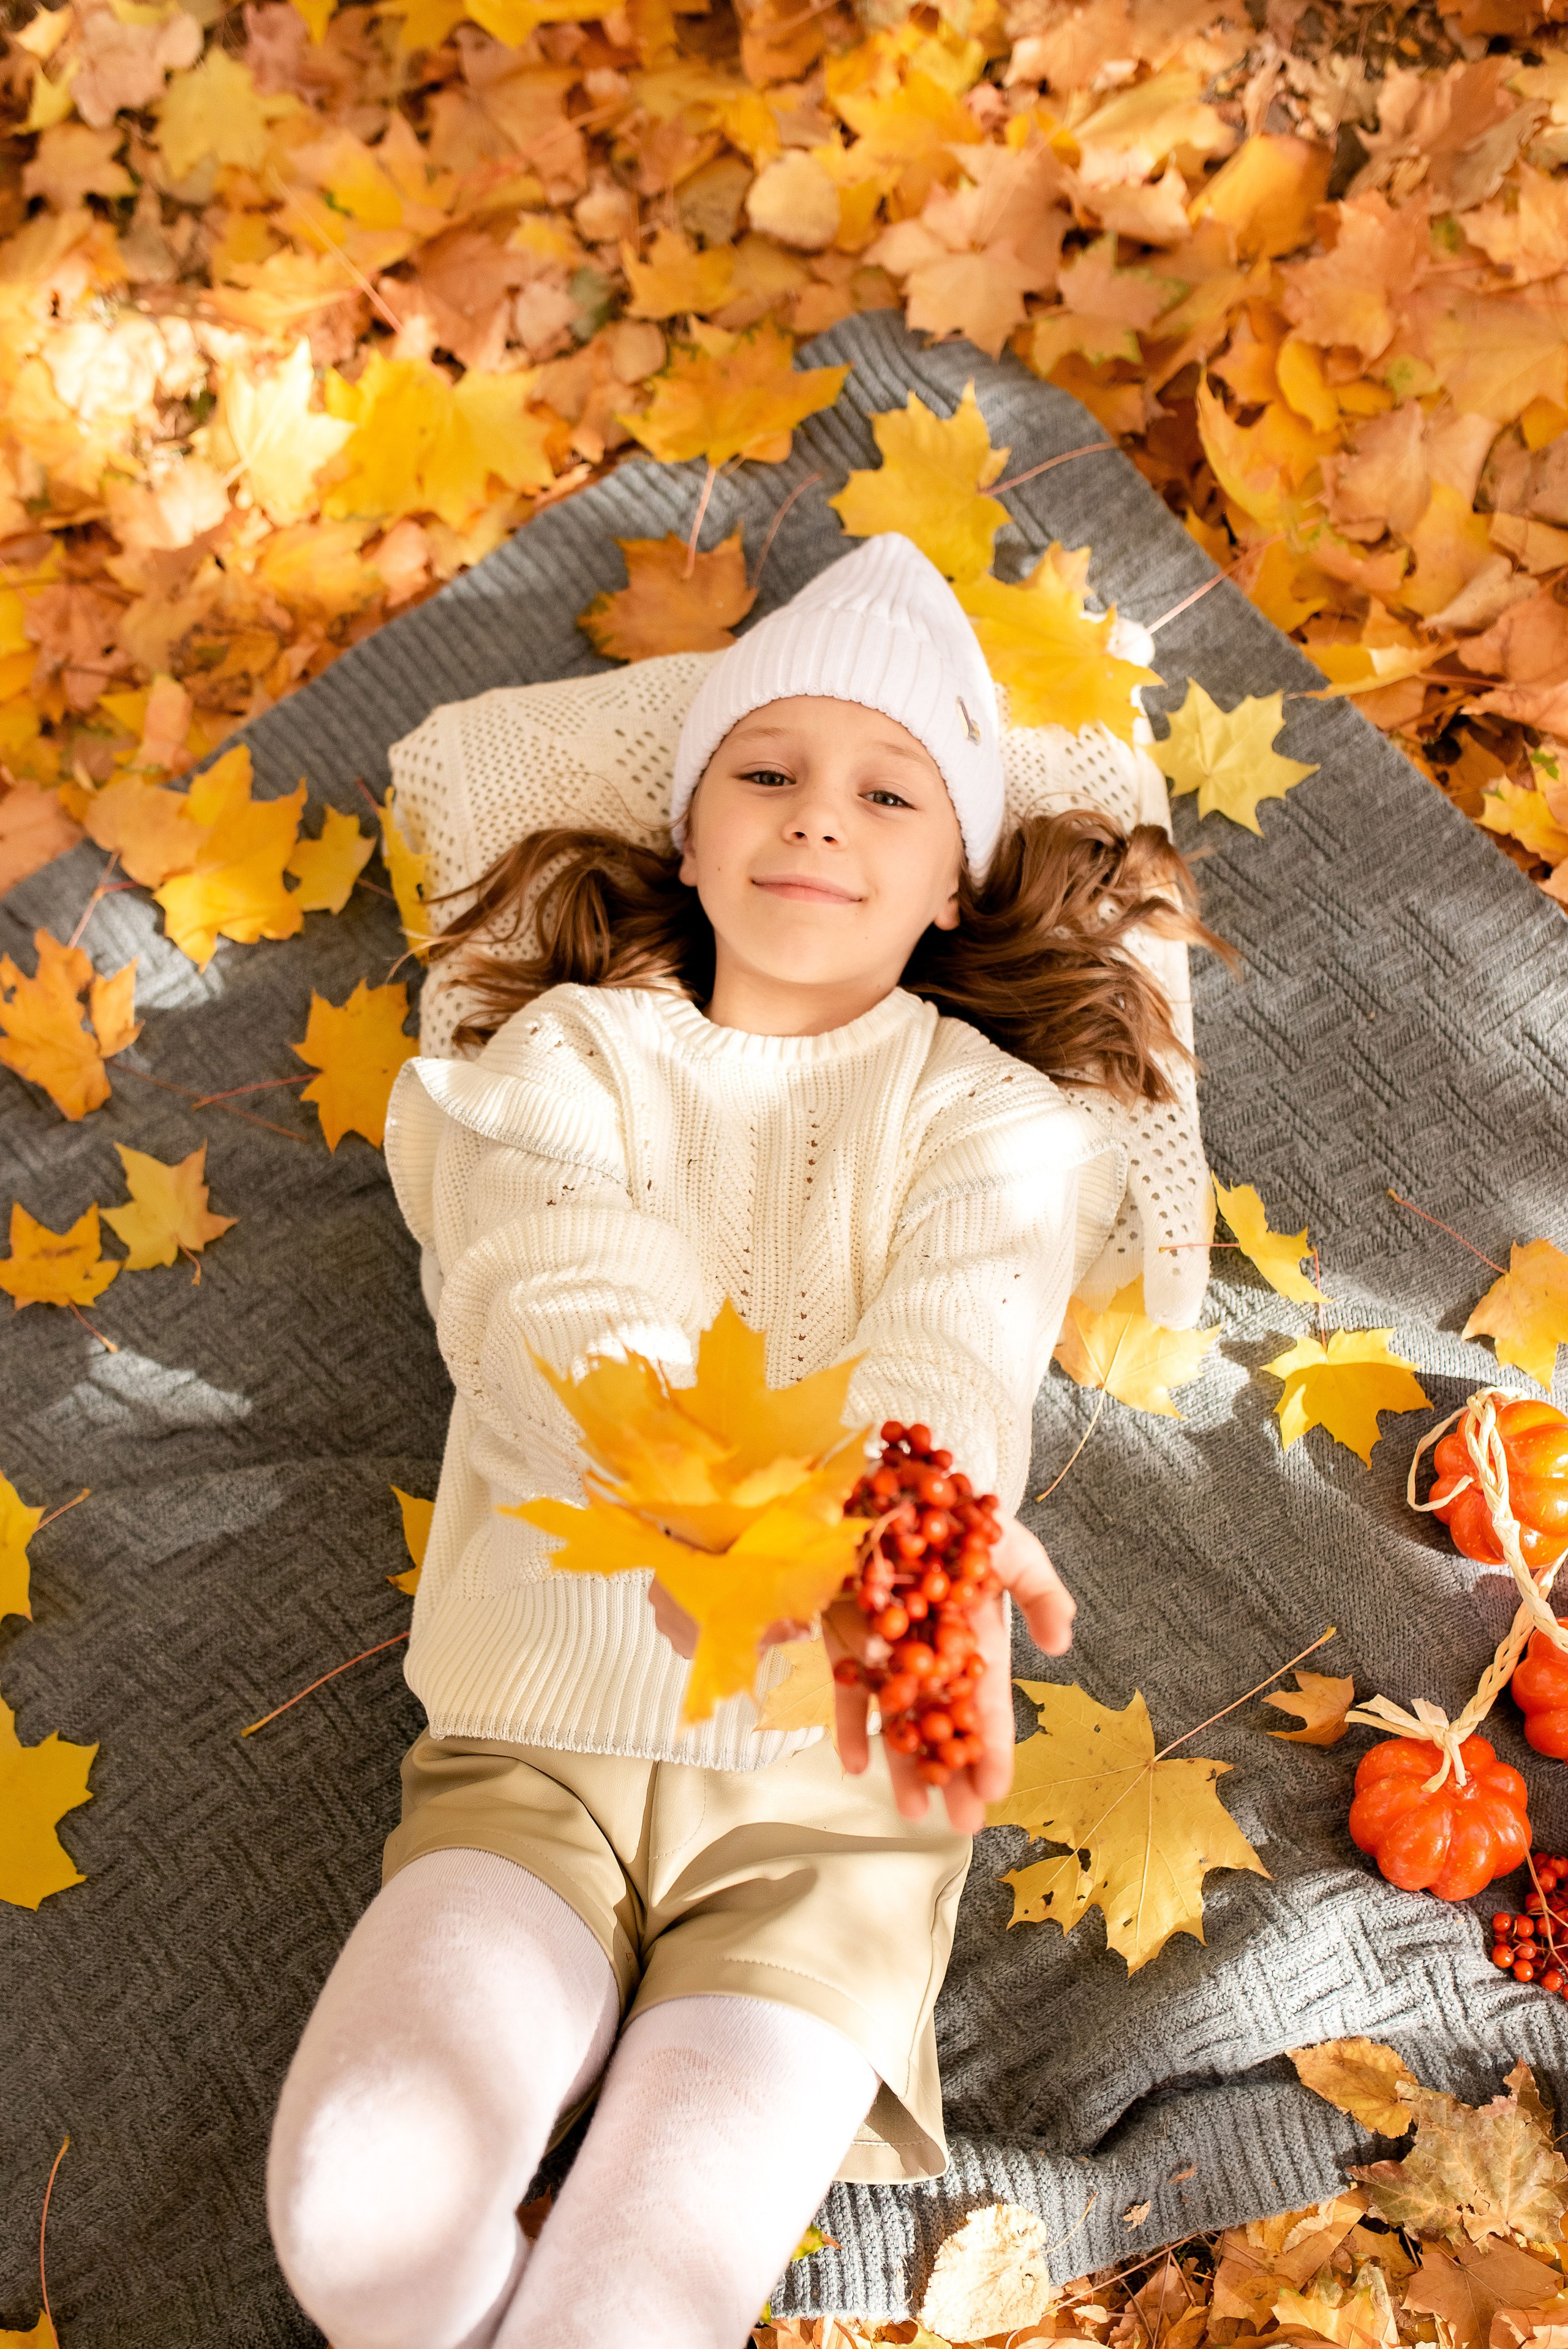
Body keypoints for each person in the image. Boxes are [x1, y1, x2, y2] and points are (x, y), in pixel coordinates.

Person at [265, 532, 1221, 2349]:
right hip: (533, 1756)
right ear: (690, 839)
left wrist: (916, 1525)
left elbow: (954, 1345)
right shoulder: (555, 1068)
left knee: (633, 2303)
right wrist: (769, 1505)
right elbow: (554, 1293)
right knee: (358, 2190)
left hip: (830, 1810)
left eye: (888, 791)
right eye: (763, 772)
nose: (818, 817)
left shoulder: (1001, 1123)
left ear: (953, 881)